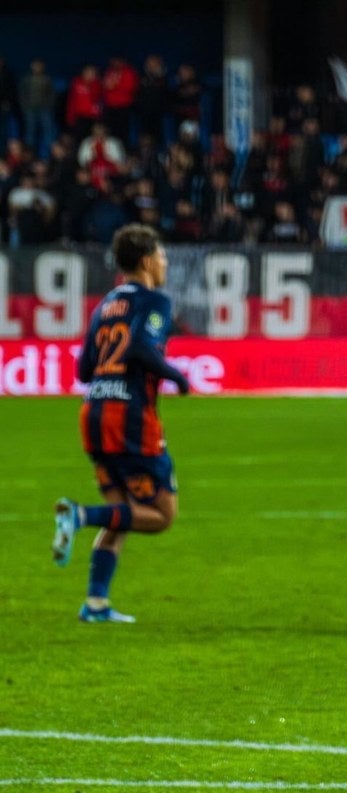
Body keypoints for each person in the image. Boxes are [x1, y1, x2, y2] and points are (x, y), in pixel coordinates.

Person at [51, 223, 189, 623]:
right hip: (128, 418)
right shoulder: (155, 301)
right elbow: (143, 348)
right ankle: (78, 515)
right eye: (161, 256)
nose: (164, 263)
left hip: (92, 413)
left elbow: (83, 369)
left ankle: (95, 604)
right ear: (146, 261)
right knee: (162, 515)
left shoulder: (106, 304)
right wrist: (176, 376)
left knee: (123, 512)